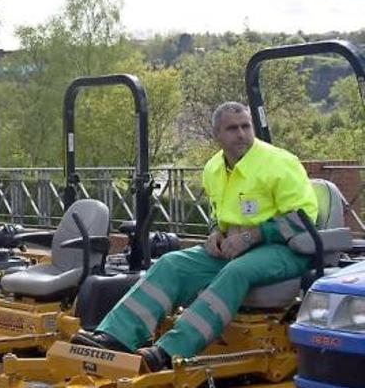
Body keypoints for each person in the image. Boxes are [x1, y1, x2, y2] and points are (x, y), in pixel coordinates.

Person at [73, 101, 318, 371]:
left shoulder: (280, 163)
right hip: (236, 247)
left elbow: (303, 219)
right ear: (217, 135)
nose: (241, 134)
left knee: (236, 271)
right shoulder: (213, 168)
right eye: (232, 128)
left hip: (285, 249)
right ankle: (116, 336)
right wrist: (215, 233)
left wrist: (252, 236)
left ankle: (169, 352)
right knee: (171, 263)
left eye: (246, 126)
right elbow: (218, 213)